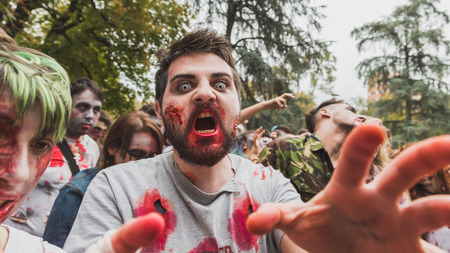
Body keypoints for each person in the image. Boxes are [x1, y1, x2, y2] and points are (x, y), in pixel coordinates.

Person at [63, 28, 450, 253]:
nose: (204, 94)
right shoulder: (115, 186)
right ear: (161, 112)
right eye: (184, 85)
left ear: (237, 105)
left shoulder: (270, 188)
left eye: (220, 83)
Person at [0, 27, 169, 253]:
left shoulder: (91, 148)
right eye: (82, 107)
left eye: (40, 145)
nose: (19, 172)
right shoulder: (80, 188)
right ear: (112, 148)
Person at [43, 110, 164, 248]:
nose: (145, 164)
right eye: (137, 155)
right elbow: (53, 248)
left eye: (153, 157)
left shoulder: (157, 192)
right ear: (113, 148)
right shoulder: (78, 192)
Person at [4, 77, 103, 236]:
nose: (90, 116)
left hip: (56, 241)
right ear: (66, 105)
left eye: (96, 110)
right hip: (15, 235)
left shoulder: (93, 148)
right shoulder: (38, 139)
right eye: (83, 107)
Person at [258, 98, 367, 201]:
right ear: (325, 112)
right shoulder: (285, 148)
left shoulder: (356, 165)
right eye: (351, 111)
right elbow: (257, 200)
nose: (363, 117)